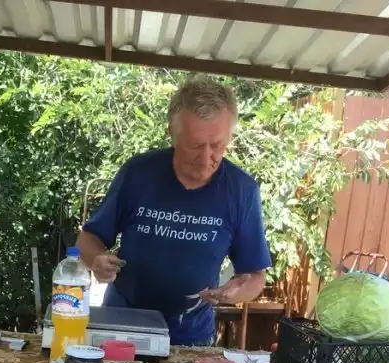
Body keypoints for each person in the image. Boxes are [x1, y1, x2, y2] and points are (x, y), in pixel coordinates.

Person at [76, 76, 272, 346]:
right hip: (123, 323)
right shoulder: (138, 173)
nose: (206, 158)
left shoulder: (242, 190)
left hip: (190, 335)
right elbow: (88, 239)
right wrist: (96, 260)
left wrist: (236, 292)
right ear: (172, 132)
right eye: (195, 145)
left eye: (217, 146)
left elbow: (255, 277)